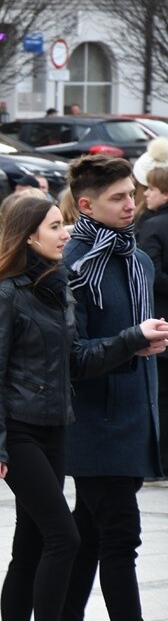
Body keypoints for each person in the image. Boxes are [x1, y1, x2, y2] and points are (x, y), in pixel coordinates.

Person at [0, 195, 167, 621]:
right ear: (29, 235)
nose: (66, 233)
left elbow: (77, 358)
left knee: (30, 545)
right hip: (18, 431)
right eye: (55, 226)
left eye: (64, 224)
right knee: (64, 539)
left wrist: (132, 340)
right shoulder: (5, 293)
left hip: (55, 429)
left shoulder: (58, 287)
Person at [59, 155, 165, 621]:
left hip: (134, 411)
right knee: (120, 536)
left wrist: (146, 340)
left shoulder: (137, 257)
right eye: (118, 197)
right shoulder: (74, 261)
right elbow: (72, 355)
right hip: (93, 418)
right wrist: (132, 340)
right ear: (87, 205)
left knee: (90, 536)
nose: (131, 204)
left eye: (133, 194)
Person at [136, 166, 168, 478]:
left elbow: (151, 275)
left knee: (160, 395)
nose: (146, 194)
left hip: (160, 321)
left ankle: (159, 459)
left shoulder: (154, 226)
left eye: (152, 189)